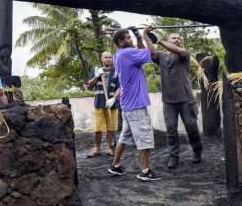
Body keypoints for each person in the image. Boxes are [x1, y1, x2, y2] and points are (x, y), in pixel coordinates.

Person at [108, 27, 161, 181]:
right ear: (120, 41)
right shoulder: (128, 53)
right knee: (145, 137)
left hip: (127, 105)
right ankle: (145, 171)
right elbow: (151, 54)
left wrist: (138, 36)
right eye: (128, 38)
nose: (130, 39)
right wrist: (145, 35)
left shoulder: (118, 54)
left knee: (124, 137)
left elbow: (140, 52)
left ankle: (115, 165)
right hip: (136, 106)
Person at [145, 29, 203, 169]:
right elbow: (152, 52)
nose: (176, 39)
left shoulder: (184, 54)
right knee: (171, 130)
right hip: (169, 101)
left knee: (191, 128)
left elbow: (178, 50)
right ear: (168, 40)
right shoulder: (161, 56)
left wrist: (159, 40)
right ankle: (173, 156)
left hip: (186, 99)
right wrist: (145, 35)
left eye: (178, 38)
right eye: (173, 38)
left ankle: (197, 151)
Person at [85, 51, 120, 157]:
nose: (108, 59)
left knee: (111, 128)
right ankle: (97, 149)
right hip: (99, 103)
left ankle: (108, 148)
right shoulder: (96, 70)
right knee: (98, 129)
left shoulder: (116, 71)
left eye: (110, 57)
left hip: (112, 105)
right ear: (102, 59)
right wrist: (97, 76)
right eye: (106, 57)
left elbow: (119, 87)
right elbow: (89, 86)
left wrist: (114, 98)